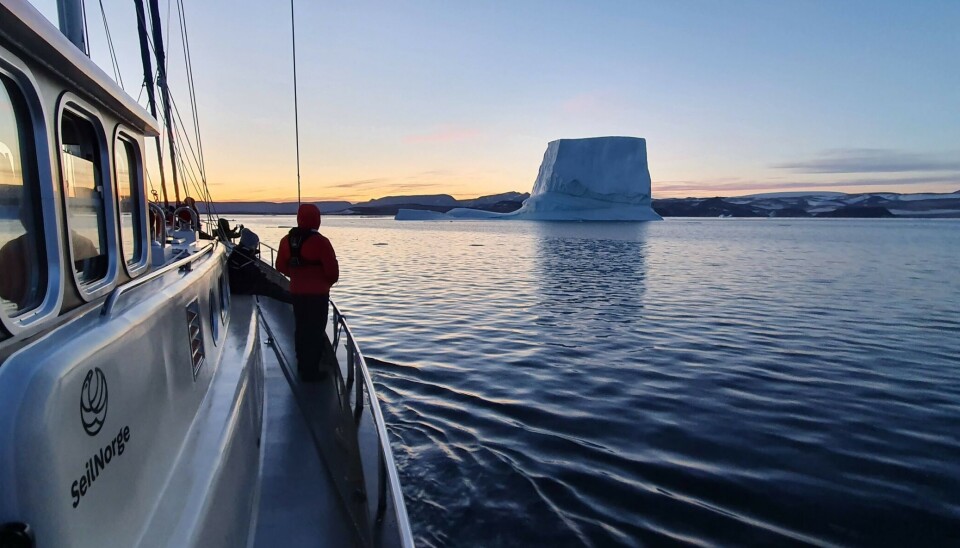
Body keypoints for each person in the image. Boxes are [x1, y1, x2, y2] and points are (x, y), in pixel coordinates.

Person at [276, 204, 339, 381]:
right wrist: (323, 283)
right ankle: (312, 372)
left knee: (301, 328)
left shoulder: (286, 241)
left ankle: (302, 364)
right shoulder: (321, 242)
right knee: (315, 331)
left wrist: (296, 276)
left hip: (296, 292)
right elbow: (332, 272)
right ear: (317, 220)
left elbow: (280, 266)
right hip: (318, 295)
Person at [227, 228, 290, 302]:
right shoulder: (243, 255)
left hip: (238, 284)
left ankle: (290, 296)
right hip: (241, 287)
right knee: (271, 288)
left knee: (272, 286)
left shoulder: (239, 252)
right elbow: (254, 273)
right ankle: (293, 299)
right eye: (255, 244)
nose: (256, 246)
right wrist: (265, 279)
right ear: (250, 244)